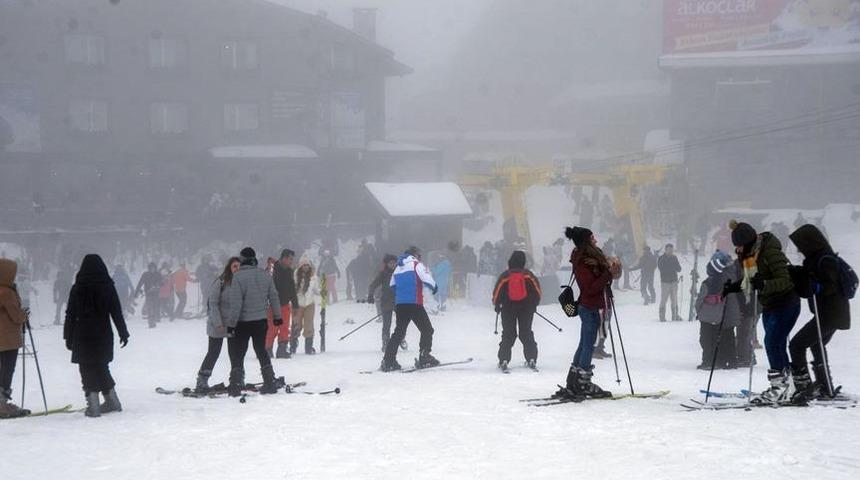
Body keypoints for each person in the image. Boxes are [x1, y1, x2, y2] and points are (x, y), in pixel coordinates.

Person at [723, 221, 800, 404]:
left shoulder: (770, 252)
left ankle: (780, 387)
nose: (738, 249)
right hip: (770, 305)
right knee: (777, 344)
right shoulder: (749, 255)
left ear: (748, 242)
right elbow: (750, 281)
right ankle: (787, 386)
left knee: (772, 343)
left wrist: (764, 284)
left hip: (786, 303)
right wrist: (733, 287)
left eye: (740, 245)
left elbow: (786, 280)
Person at [788, 224, 852, 403]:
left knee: (797, 345)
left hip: (830, 315)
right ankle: (824, 385)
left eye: (801, 245)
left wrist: (817, 287)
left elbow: (830, 285)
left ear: (810, 243)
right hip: (832, 314)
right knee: (816, 345)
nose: (799, 249)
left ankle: (804, 387)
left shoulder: (826, 260)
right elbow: (811, 275)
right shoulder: (817, 258)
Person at [554, 227, 619, 400]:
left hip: (591, 305)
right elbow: (590, 288)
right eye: (592, 238)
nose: (595, 240)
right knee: (588, 345)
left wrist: (609, 270)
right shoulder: (583, 261)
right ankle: (582, 383)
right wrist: (608, 274)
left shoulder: (590, 258)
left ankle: (574, 381)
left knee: (584, 344)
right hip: (590, 306)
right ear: (586, 241)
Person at [63, 254, 130, 418]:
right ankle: (112, 401)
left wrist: (67, 336)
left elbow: (70, 314)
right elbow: (116, 311)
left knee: (86, 368)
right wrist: (123, 332)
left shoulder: (78, 288)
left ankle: (93, 406)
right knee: (101, 366)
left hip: (82, 334)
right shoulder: (108, 286)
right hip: (103, 334)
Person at [228, 247, 282, 396]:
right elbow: (274, 296)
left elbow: (236, 304)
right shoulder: (265, 275)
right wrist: (277, 316)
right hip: (261, 321)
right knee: (261, 350)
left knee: (239, 353)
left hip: (243, 322)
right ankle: (269, 381)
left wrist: (231, 324)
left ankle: (236, 385)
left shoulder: (238, 277)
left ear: (242, 259)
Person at [380, 246, 439, 372]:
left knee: (399, 333)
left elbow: (392, 285)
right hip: (414, 303)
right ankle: (425, 356)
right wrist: (434, 287)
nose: (420, 257)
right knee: (427, 329)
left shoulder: (398, 267)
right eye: (419, 255)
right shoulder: (416, 264)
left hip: (400, 305)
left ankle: (388, 360)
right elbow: (427, 278)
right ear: (415, 255)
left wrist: (401, 295)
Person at [195, 257, 241, 392]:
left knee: (235, 352)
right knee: (214, 352)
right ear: (229, 268)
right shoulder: (220, 282)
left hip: (232, 324)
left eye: (239, 266)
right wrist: (218, 323)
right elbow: (213, 304)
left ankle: (236, 379)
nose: (237, 269)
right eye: (235, 266)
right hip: (217, 324)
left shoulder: (241, 283)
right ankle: (202, 379)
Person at [492, 251, 541, 370]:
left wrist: (497, 304)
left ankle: (504, 359)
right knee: (526, 332)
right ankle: (531, 358)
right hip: (526, 309)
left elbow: (497, 293)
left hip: (508, 308)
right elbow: (537, 291)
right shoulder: (528, 275)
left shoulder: (505, 276)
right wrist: (534, 304)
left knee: (508, 334)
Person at [694, 251, 740, 370]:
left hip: (721, 313)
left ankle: (716, 360)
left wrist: (699, 311)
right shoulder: (732, 274)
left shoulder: (715, 280)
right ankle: (726, 360)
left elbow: (701, 300)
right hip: (725, 312)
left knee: (713, 338)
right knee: (724, 337)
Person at [0, 258, 29, 418]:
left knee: (2, 369)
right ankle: (1, 403)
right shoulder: (6, 292)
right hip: (8, 339)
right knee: (7, 370)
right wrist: (24, 315)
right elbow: (16, 316)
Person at [270, 249, 297, 359]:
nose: (291, 261)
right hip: (273, 304)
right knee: (272, 328)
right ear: (284, 258)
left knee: (285, 327)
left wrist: (295, 304)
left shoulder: (289, 271)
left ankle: (282, 349)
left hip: (285, 304)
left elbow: (292, 288)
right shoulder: (273, 270)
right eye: (290, 259)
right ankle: (267, 349)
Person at [368, 254, 398, 352]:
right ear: (386, 264)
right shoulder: (383, 274)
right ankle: (385, 342)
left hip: (398, 301)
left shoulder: (399, 272)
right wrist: (370, 295)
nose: (393, 264)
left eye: (394, 262)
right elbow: (373, 285)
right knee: (386, 324)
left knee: (401, 323)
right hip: (386, 301)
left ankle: (401, 338)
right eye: (390, 263)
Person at [291, 256, 320, 355]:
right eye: (304, 265)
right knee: (296, 325)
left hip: (309, 304)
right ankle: (293, 345)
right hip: (298, 304)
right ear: (300, 266)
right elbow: (292, 289)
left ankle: (308, 347)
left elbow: (316, 289)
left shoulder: (313, 277)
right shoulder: (295, 275)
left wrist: (321, 292)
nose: (306, 267)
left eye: (307, 265)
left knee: (309, 325)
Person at [658, 243, 683, 322]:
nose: (671, 251)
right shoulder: (661, 258)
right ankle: (662, 316)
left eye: (672, 250)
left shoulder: (674, 258)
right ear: (665, 250)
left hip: (674, 281)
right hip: (665, 282)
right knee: (664, 299)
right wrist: (672, 267)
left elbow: (679, 269)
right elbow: (662, 269)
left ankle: (675, 315)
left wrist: (675, 267)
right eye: (669, 250)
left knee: (674, 299)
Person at [135, 262, 163, 328]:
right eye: (151, 268)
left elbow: (162, 283)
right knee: (150, 308)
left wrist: (158, 285)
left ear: (155, 268)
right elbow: (140, 283)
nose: (152, 269)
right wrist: (137, 291)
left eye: (154, 268)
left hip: (156, 293)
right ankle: (151, 323)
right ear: (149, 268)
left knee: (155, 307)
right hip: (148, 293)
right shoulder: (145, 274)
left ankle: (155, 319)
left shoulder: (158, 274)